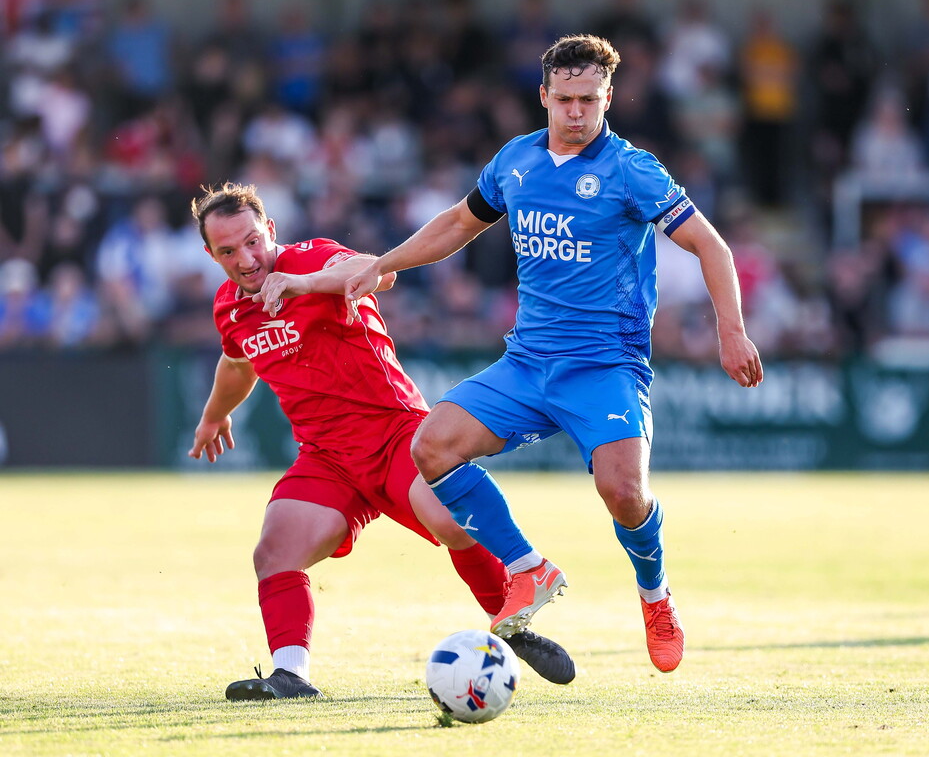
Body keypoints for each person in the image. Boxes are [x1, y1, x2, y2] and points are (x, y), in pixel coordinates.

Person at [346, 34, 763, 674]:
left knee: (624, 492)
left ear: (608, 99)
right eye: (565, 98)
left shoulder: (632, 170)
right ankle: (528, 568)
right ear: (543, 95)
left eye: (588, 100)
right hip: (528, 362)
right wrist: (384, 263)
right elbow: (458, 223)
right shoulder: (515, 161)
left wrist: (730, 332)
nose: (576, 111)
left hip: (606, 365)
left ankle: (655, 594)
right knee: (431, 446)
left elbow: (711, 245)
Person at [188, 182, 575, 700]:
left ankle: (512, 627)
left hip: (397, 436)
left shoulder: (313, 258)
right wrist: (214, 416)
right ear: (210, 254)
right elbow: (238, 364)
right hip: (326, 459)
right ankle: (291, 675)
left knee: (452, 523)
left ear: (271, 230)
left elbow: (380, 272)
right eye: (228, 251)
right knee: (274, 552)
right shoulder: (229, 308)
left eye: (253, 241)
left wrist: (304, 284)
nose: (246, 259)